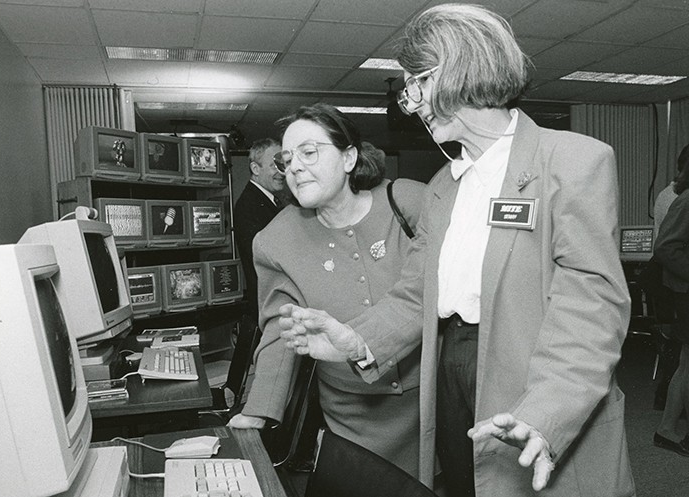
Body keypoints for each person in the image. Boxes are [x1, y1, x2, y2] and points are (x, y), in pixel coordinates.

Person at [279, 4, 634, 496]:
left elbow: (591, 309)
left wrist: (545, 413)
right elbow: (416, 295)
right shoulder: (445, 185)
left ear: (454, 71)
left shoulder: (573, 161)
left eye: (415, 85)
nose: (411, 103)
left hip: (537, 378)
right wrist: (354, 340)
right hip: (451, 371)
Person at [228, 103, 426, 478]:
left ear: (349, 157)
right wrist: (257, 410)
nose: (294, 167)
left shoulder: (410, 203)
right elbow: (280, 331)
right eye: (287, 159)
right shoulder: (275, 241)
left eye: (309, 152)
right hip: (353, 419)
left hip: (430, 405)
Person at [652, 153, 689, 457]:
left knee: (686, 364)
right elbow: (665, 246)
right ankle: (667, 430)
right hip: (685, 292)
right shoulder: (686, 199)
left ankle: (666, 430)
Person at [233, 138, 286, 321]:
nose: (282, 172)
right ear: (256, 169)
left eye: (283, 165)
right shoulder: (249, 205)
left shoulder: (268, 200)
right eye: (274, 166)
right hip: (270, 304)